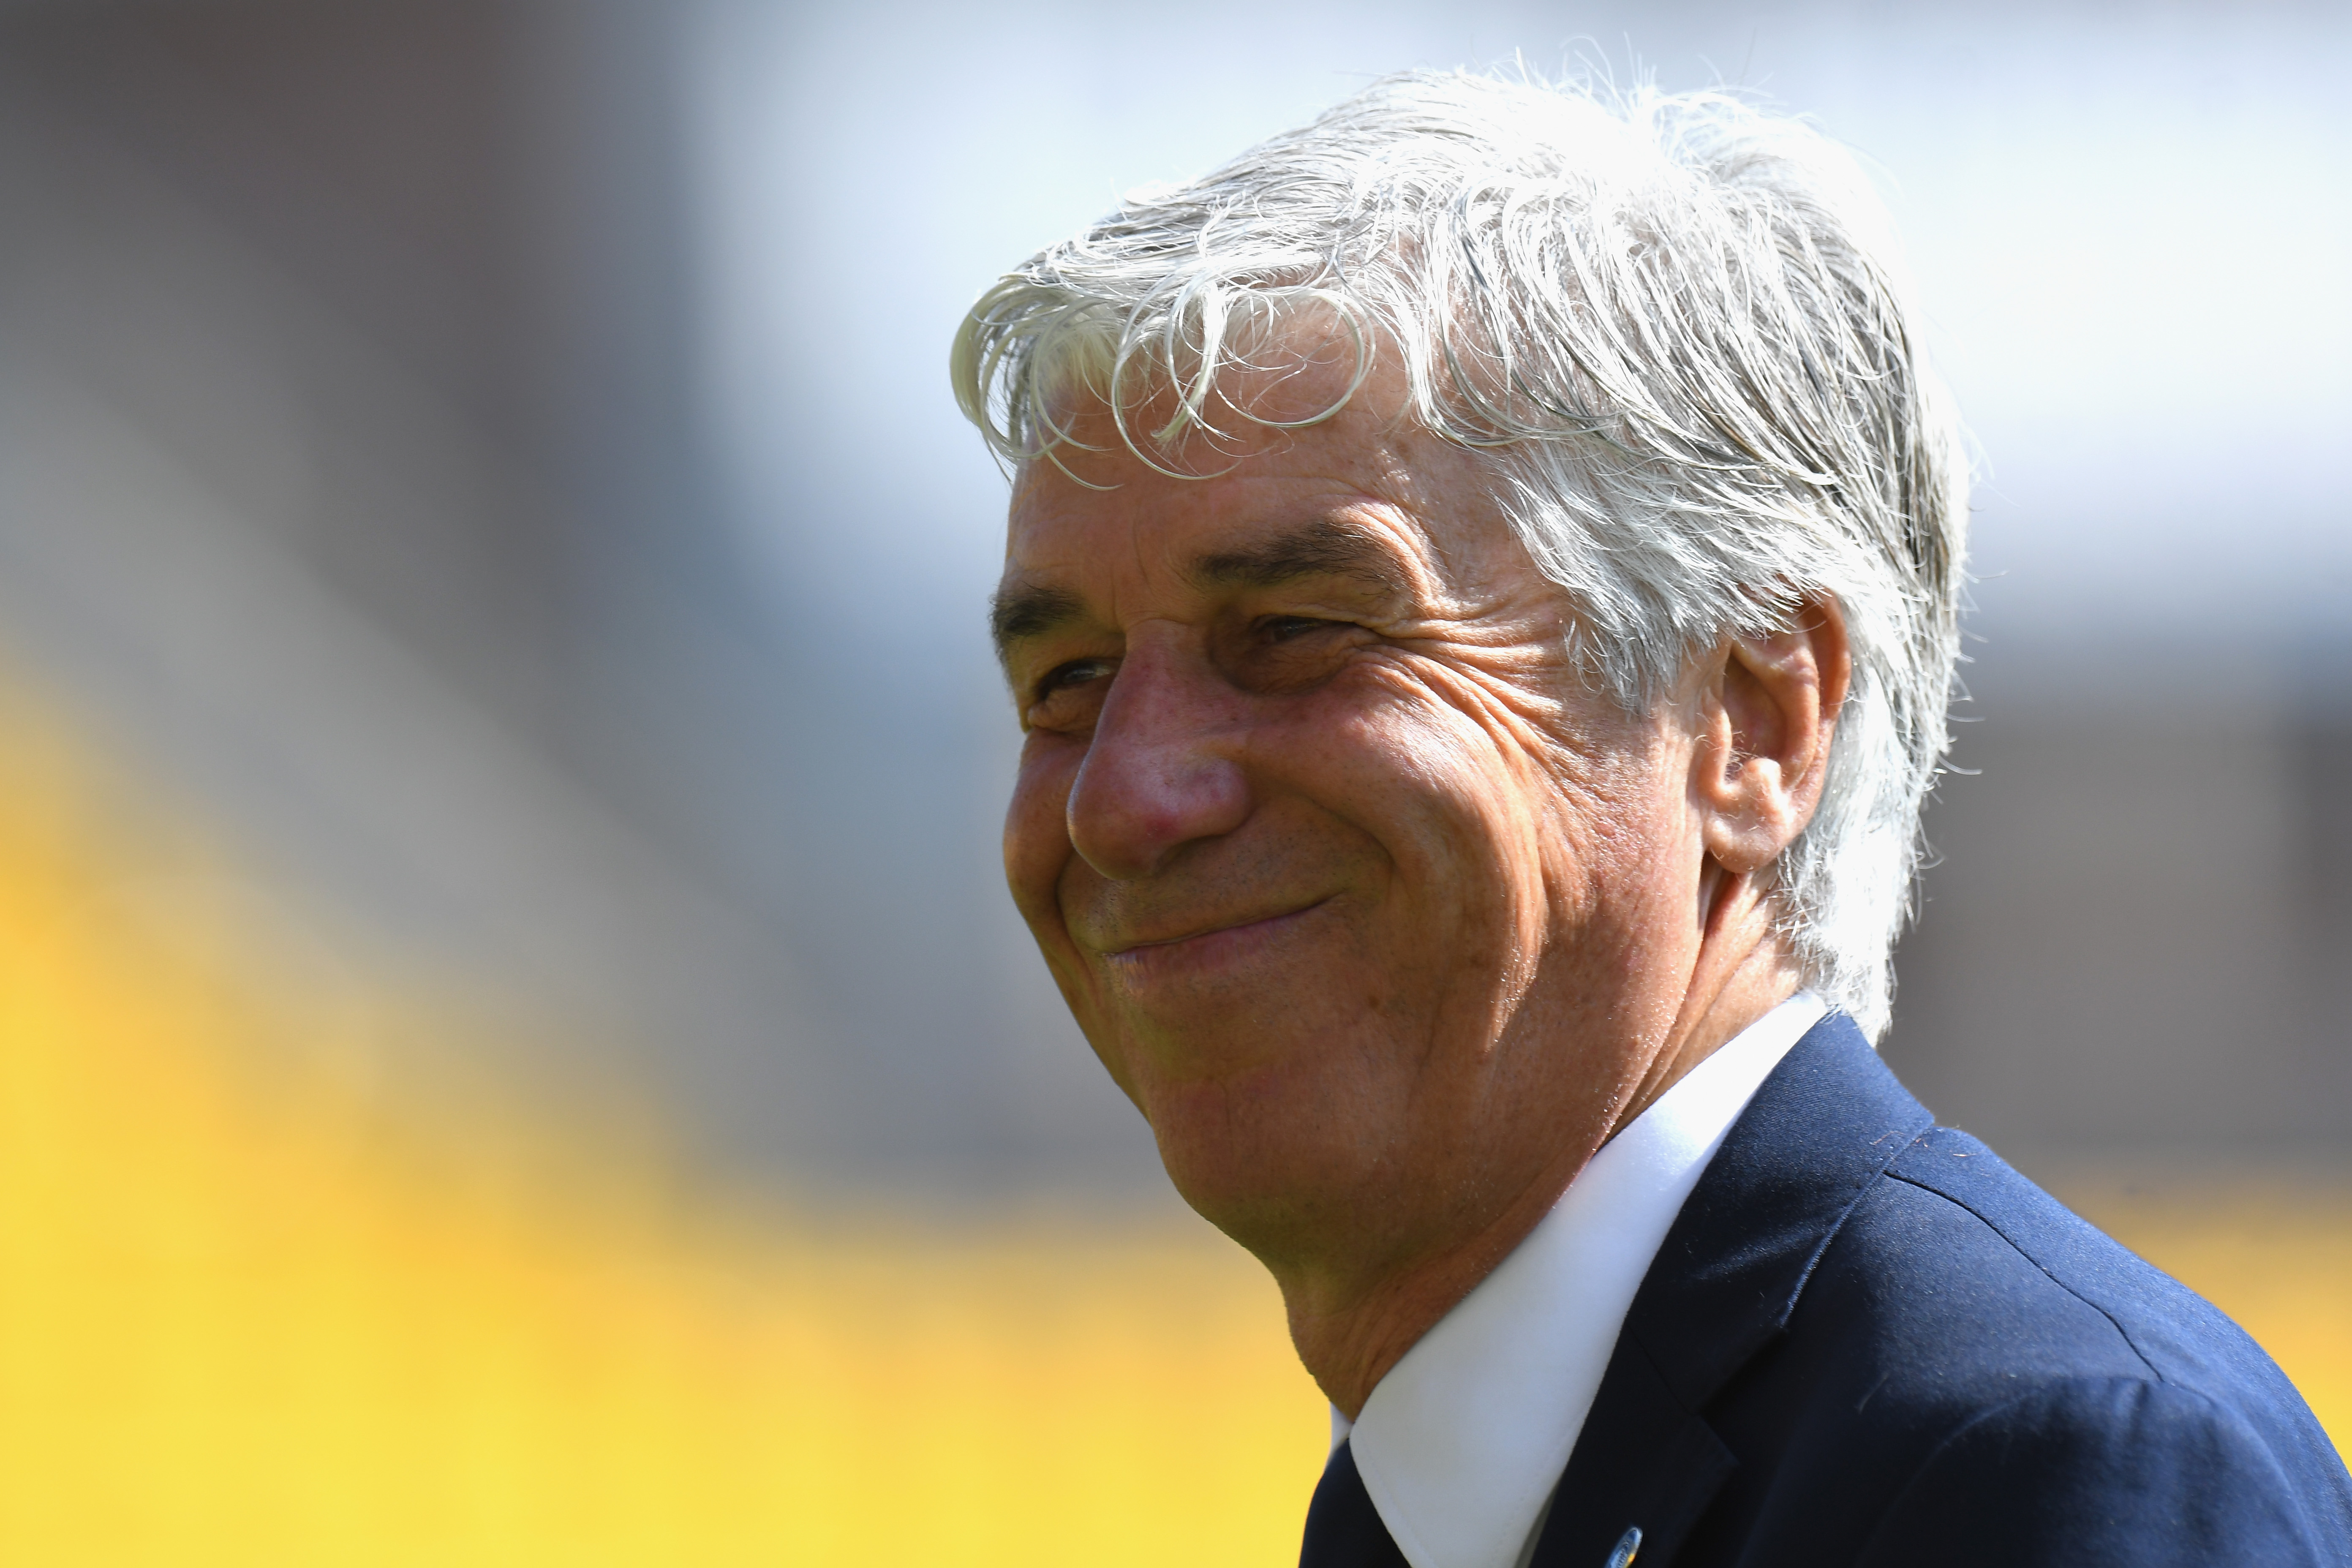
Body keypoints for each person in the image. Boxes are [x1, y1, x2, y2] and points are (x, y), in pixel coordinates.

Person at [948, 70, 2352, 1568]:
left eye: (1294, 630)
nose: (1126, 799)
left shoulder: (2041, 1475)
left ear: (1757, 723)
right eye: (1070, 678)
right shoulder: (1454, 1506)